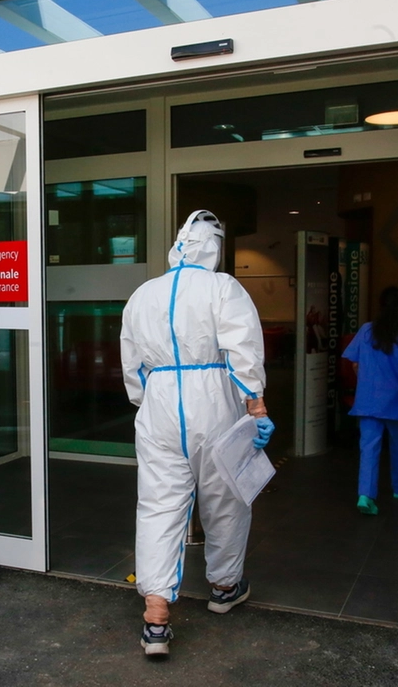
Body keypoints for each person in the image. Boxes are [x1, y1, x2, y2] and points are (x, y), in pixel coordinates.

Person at [120, 210, 273, 657]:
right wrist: (255, 402)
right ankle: (224, 586)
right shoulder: (223, 287)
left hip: (159, 402)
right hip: (213, 399)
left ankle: (156, 615)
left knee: (158, 503)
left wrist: (151, 400)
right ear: (215, 248)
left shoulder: (143, 294)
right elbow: (242, 347)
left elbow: (132, 369)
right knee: (225, 496)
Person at [341, 286, 398, 516]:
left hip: (368, 400)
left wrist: (367, 383)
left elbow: (354, 363)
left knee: (368, 449)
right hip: (395, 401)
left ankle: (365, 495)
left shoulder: (366, 330)